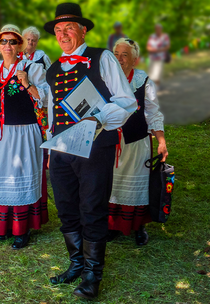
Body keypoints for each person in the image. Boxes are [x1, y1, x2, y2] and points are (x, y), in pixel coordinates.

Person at [43, 3, 137, 299]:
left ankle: (92, 275)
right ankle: (76, 265)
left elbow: (127, 102)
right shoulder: (54, 69)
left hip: (95, 147)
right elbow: (51, 113)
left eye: (69, 28)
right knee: (66, 208)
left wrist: (99, 118)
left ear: (83, 30)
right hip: (61, 148)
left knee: (92, 208)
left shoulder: (102, 57)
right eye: (58, 30)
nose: (63, 34)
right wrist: (50, 149)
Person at [0, 24, 49, 250]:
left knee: (19, 175)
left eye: (12, 41)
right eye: (4, 41)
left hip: (23, 132)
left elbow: (44, 100)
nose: (8, 45)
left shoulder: (32, 68)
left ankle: (21, 228)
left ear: (20, 46)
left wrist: (27, 83)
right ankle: (3, 225)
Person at [109, 38, 167, 245]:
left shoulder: (143, 80)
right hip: (111, 143)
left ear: (135, 60)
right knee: (112, 184)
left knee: (137, 185)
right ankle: (112, 224)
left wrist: (161, 140)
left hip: (136, 142)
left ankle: (138, 226)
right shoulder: (105, 78)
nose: (119, 58)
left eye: (125, 55)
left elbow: (152, 112)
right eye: (116, 53)